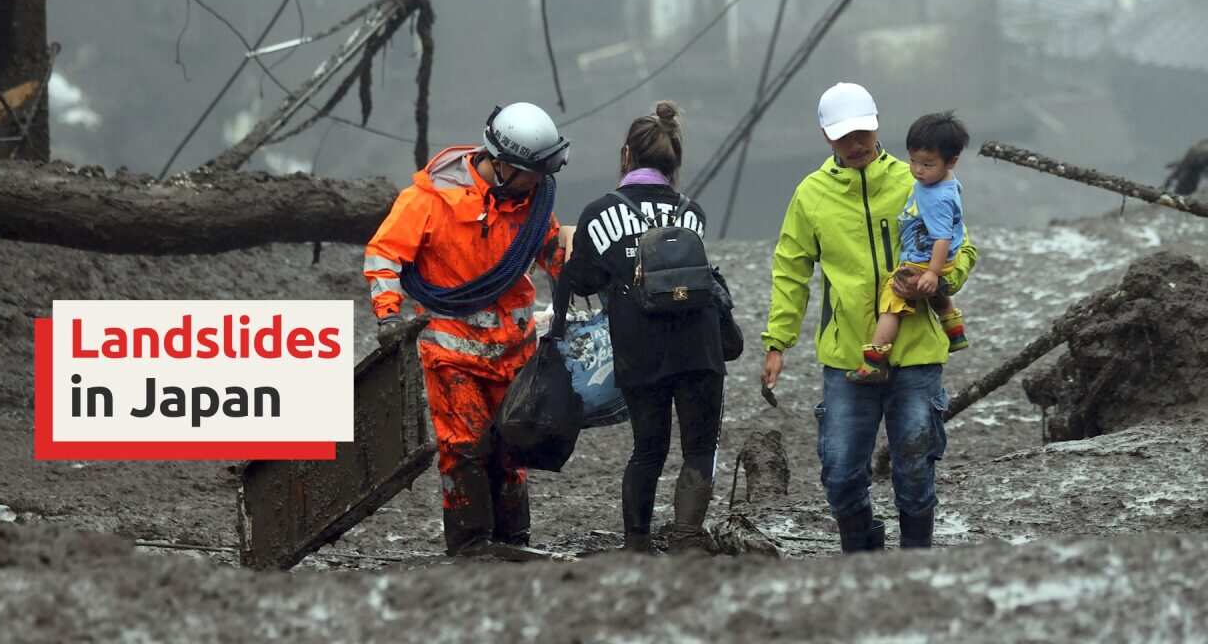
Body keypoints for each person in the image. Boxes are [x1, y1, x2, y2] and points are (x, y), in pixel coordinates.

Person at [760, 83, 978, 552]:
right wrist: (778, 342)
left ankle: (915, 560)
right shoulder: (811, 196)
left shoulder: (917, 179)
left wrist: (942, 280)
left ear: (876, 124)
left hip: (917, 353)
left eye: (861, 132)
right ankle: (864, 554)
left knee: (915, 466)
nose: (855, 144)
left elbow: (963, 243)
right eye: (843, 136)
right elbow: (790, 270)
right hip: (848, 358)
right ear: (825, 135)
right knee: (839, 473)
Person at [363, 102, 569, 557]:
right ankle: (471, 546)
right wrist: (388, 315)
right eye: (532, 173)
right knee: (465, 446)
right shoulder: (429, 200)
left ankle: (513, 542)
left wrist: (591, 268)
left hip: (513, 352)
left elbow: (552, 252)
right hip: (452, 354)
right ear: (500, 165)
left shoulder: (530, 203)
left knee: (511, 447)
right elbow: (383, 254)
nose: (539, 183)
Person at [561, 101, 726, 554]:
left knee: (647, 448)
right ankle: (688, 538)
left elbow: (585, 281)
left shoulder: (600, 212)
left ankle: (637, 543)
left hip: (641, 349)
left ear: (626, 156)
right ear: (674, 160)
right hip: (700, 347)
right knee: (698, 445)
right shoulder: (693, 212)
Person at [847, 112, 971, 384]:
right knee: (933, 295)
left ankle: (874, 360)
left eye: (927, 164)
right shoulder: (946, 182)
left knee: (893, 301)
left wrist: (931, 273)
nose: (917, 170)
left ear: (951, 161)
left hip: (924, 258)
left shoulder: (936, 197)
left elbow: (941, 237)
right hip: (939, 257)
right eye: (913, 160)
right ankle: (954, 328)